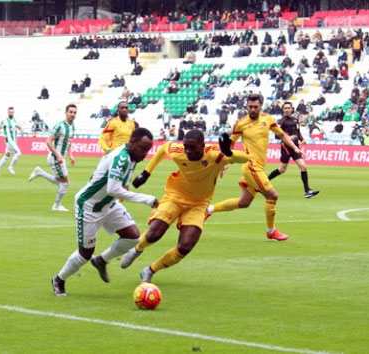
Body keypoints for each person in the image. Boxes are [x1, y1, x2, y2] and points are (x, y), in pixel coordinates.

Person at [120, 130, 249, 283]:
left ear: (202, 146)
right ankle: (137, 249)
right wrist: (146, 173)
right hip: (175, 196)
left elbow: (246, 158)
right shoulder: (178, 150)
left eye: (192, 148)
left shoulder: (215, 155)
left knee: (185, 247)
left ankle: (150, 270)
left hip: (199, 204)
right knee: (155, 233)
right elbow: (163, 149)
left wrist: (229, 152)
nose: (187, 151)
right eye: (185, 146)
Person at [51, 128, 158, 296]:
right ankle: (59, 279)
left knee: (132, 237)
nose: (145, 154)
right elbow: (113, 189)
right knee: (85, 254)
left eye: (147, 150)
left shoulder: (132, 157)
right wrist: (147, 199)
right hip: (89, 206)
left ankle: (101, 260)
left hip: (108, 204)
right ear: (132, 142)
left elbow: (115, 184)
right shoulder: (121, 158)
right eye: (143, 148)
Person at [207, 94, 303, 241]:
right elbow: (229, 145)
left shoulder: (268, 120)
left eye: (255, 107)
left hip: (258, 167)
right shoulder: (240, 123)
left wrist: (295, 148)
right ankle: (271, 231)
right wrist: (223, 164)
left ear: (261, 106)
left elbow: (283, 135)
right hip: (251, 167)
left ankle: (209, 209)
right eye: (250, 106)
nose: (252, 109)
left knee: (244, 203)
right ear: (246, 106)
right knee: (272, 196)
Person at [29, 104, 77, 212]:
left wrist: (70, 155)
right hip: (56, 158)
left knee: (63, 182)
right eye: (71, 112)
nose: (73, 114)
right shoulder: (60, 125)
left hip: (61, 158)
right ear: (66, 113)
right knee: (65, 183)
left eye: (74, 112)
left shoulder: (72, 126)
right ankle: (56, 206)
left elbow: (69, 142)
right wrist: (58, 155)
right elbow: (48, 141)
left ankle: (39, 172)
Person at [268, 102, 319, 198]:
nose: (287, 110)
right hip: (286, 148)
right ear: (283, 110)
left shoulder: (295, 120)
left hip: (296, 147)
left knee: (303, 166)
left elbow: (297, 132)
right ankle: (264, 181)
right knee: (282, 169)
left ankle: (307, 191)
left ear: (292, 109)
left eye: (288, 108)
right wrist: (290, 138)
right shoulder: (281, 122)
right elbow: (277, 136)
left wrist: (302, 139)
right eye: (285, 108)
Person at [0, 107, 22, 176]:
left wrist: (20, 128)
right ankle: (10, 167)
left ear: (13, 113)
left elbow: (17, 126)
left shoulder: (14, 120)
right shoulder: (5, 121)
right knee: (18, 153)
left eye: (12, 112)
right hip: (9, 140)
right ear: (8, 113)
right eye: (10, 112)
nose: (11, 113)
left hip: (14, 140)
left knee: (7, 155)